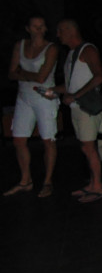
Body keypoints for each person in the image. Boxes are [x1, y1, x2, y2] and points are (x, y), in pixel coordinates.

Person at [47, 19, 102, 203]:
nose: (58, 35)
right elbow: (71, 85)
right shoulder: (72, 54)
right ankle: (93, 183)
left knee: (89, 147)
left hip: (86, 107)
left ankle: (98, 187)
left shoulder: (87, 50)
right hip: (77, 107)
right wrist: (52, 90)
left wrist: (75, 96)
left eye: (60, 31)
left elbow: (99, 77)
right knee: (85, 147)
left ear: (70, 31)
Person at [4, 14, 60, 198]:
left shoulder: (51, 48)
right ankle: (25, 180)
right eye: (35, 26)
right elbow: (11, 73)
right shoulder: (20, 45)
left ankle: (48, 181)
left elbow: (42, 78)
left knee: (48, 140)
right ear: (28, 28)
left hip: (44, 97)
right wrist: (28, 76)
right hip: (24, 97)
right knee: (19, 140)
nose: (39, 29)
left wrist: (22, 73)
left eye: (41, 26)